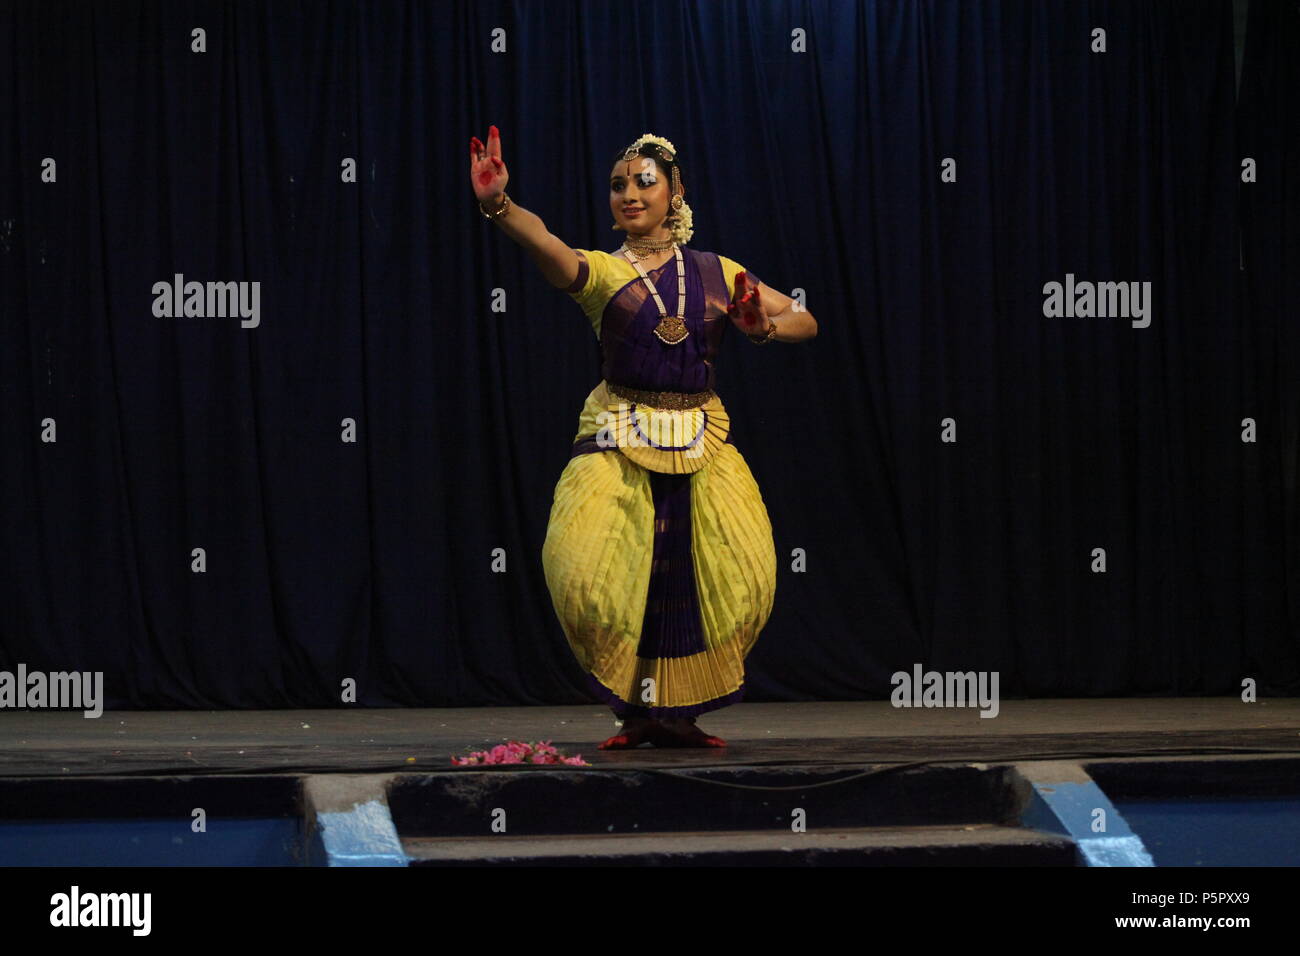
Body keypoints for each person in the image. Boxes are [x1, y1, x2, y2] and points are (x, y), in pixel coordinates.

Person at [469, 126, 817, 748]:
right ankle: (635, 711)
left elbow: (804, 319)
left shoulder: (717, 271)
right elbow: (550, 247)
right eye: (618, 185)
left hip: (699, 435)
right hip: (619, 429)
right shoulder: (604, 274)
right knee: (595, 575)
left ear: (674, 191)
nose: (629, 194)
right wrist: (500, 206)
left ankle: (678, 715)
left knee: (725, 578)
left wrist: (762, 326)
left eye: (643, 182)